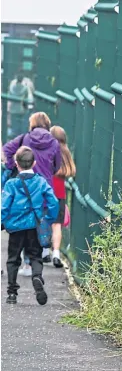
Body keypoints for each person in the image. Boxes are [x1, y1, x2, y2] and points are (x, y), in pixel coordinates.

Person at [2, 112, 61, 274]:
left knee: (23, 221)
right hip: (43, 187)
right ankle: (33, 261)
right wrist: (48, 172)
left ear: (32, 123)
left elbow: (6, 150)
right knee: (37, 222)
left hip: (23, 185)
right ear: (47, 124)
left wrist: (11, 165)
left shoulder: (24, 138)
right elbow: (57, 166)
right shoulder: (54, 143)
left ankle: (25, 263)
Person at [2, 146, 59, 305]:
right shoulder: (40, 181)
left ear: (16, 163)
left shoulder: (11, 184)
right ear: (34, 163)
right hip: (35, 226)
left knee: (13, 259)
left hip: (16, 227)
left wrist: (2, 221)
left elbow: (4, 207)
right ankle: (37, 277)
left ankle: (12, 293)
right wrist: (47, 219)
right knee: (35, 256)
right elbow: (53, 202)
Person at [49, 126, 76, 268]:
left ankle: (42, 251)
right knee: (57, 225)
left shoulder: (49, 151)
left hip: (46, 192)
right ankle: (56, 253)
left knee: (43, 222)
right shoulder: (66, 152)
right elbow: (71, 171)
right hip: (60, 194)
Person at [7, 74, 31, 139]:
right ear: (22, 79)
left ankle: (14, 140)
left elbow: (9, 97)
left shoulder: (12, 87)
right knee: (23, 126)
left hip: (13, 109)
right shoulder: (25, 88)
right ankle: (22, 140)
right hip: (22, 110)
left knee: (14, 127)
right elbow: (26, 100)